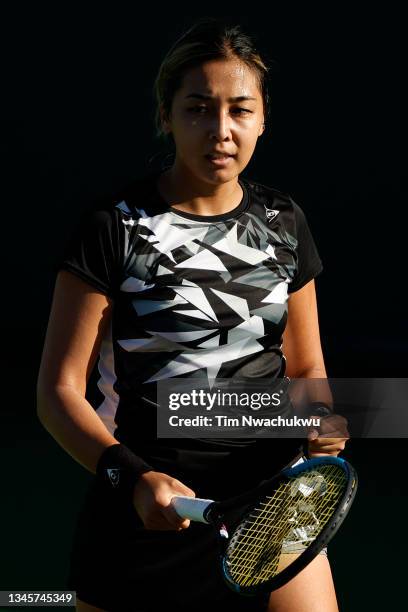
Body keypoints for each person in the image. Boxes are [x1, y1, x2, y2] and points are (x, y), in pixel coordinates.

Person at [37, 18, 349, 612]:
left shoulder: (285, 221)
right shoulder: (113, 227)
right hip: (148, 510)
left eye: (240, 110)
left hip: (273, 506)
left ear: (263, 118)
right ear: (167, 116)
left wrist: (322, 419)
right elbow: (57, 392)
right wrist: (131, 480)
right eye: (199, 109)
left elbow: (306, 365)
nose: (221, 131)